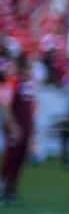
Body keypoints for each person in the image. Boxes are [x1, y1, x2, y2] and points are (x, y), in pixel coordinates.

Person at [0, 57, 30, 203]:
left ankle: (12, 189)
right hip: (16, 127)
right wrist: (12, 125)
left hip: (26, 127)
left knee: (20, 158)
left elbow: (31, 108)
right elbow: (5, 105)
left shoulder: (28, 85)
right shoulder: (12, 82)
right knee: (11, 157)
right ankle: (4, 186)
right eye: (27, 68)